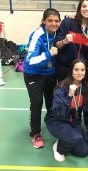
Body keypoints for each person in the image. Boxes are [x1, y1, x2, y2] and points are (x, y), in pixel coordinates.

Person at [23, 8, 61, 149]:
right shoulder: (37, 35)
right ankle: (36, 133)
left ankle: (52, 126)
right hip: (34, 73)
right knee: (37, 103)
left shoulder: (59, 33)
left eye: (56, 21)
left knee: (51, 101)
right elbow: (29, 60)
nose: (53, 23)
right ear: (43, 21)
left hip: (50, 73)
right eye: (50, 20)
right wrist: (48, 54)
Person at [44, 59, 88, 162]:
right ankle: (59, 148)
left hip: (73, 120)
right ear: (71, 71)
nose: (79, 73)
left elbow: (83, 108)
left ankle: (65, 138)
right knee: (75, 139)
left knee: (83, 151)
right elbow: (58, 113)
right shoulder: (62, 88)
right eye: (76, 69)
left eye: (82, 70)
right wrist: (69, 96)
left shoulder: (84, 87)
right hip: (56, 121)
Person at [55, 0, 88, 82]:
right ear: (79, 8)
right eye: (84, 6)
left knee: (79, 94)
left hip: (82, 71)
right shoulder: (68, 23)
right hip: (65, 69)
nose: (87, 9)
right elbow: (57, 44)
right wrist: (64, 41)